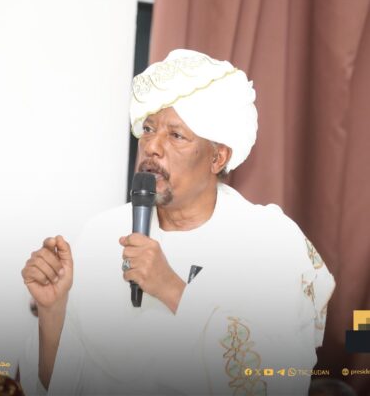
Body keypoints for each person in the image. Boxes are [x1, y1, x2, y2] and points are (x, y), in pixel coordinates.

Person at [20, 49, 335, 395]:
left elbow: (276, 378)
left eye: (175, 135)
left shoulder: (268, 242)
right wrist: (53, 309)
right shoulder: (101, 234)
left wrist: (171, 288)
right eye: (148, 129)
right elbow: (60, 384)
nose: (151, 146)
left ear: (217, 157)